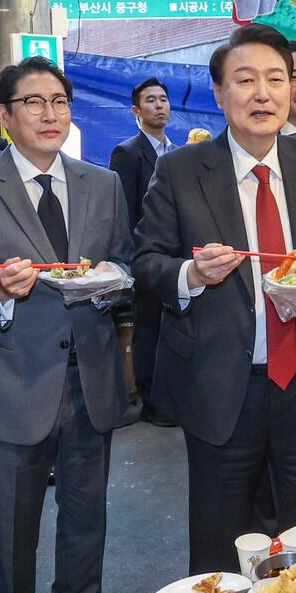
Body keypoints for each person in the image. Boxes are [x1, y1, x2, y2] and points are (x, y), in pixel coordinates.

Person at [134, 24, 296, 573]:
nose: (262, 94)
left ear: (292, 90)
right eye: (245, 80)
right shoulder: (182, 170)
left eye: (275, 80)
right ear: (219, 94)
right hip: (220, 385)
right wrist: (192, 272)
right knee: (222, 547)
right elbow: (146, 263)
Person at [0, 56, 132, 593]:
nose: (50, 114)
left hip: (89, 380)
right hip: (9, 386)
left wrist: (108, 279)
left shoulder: (104, 183)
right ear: (2, 115)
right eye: (33, 103)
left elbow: (124, 261)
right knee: (12, 534)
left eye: (59, 102)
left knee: (84, 525)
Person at [110, 77, 177, 428]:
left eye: (163, 99)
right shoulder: (128, 152)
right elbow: (123, 210)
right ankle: (151, 400)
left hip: (176, 257)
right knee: (148, 327)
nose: (159, 105)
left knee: (174, 327)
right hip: (145, 255)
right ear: (136, 111)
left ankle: (172, 393)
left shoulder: (178, 153)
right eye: (151, 100)